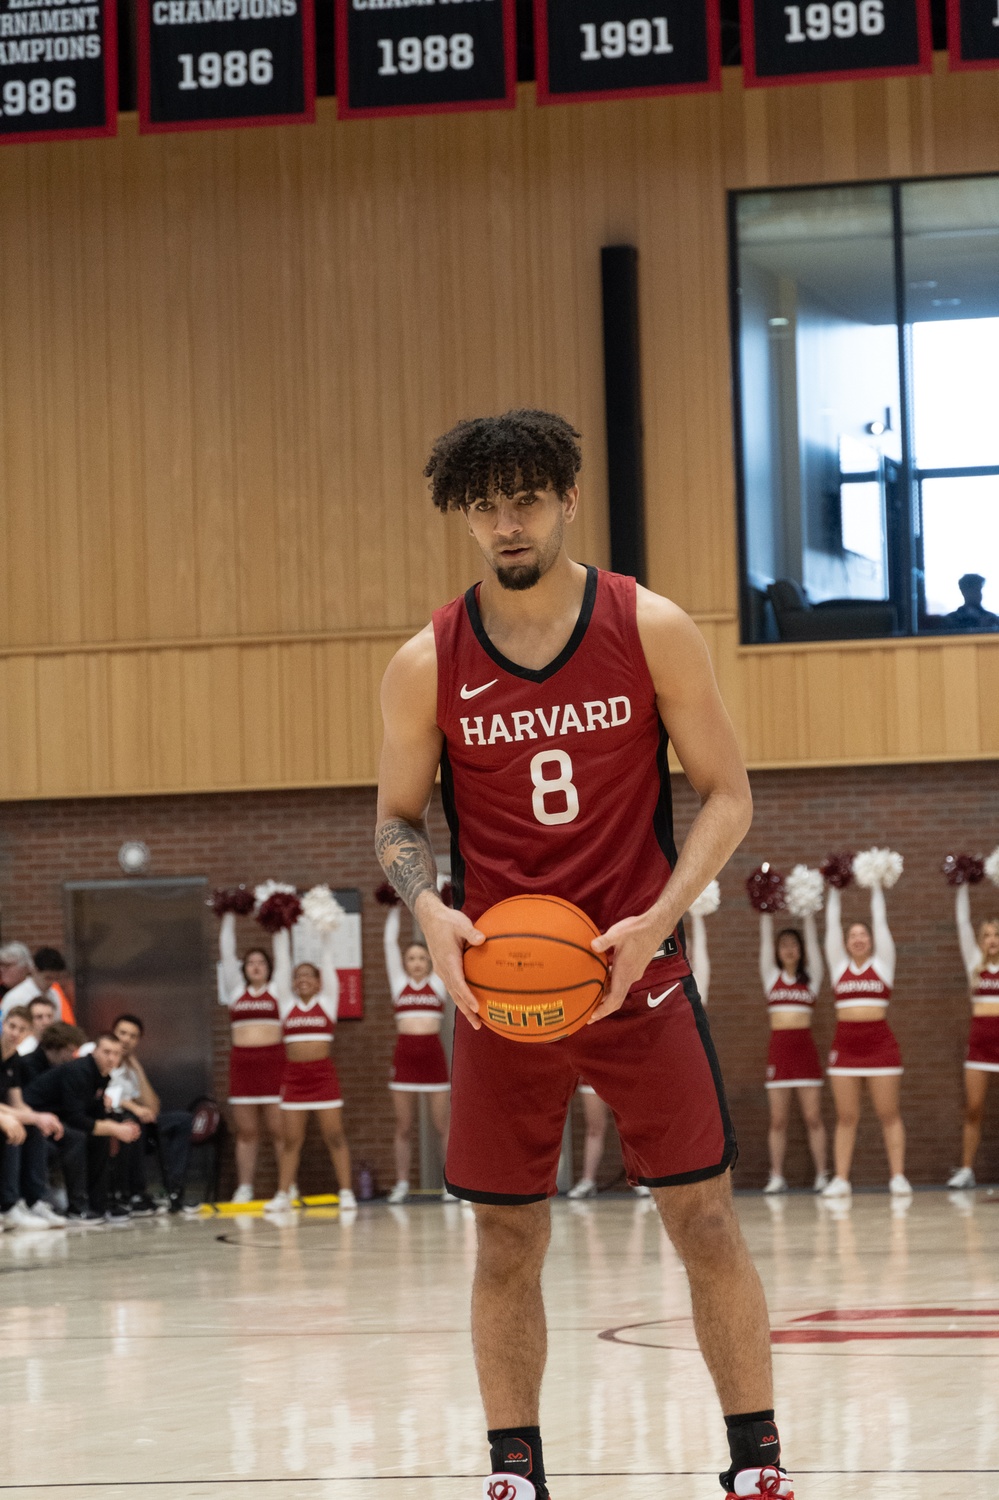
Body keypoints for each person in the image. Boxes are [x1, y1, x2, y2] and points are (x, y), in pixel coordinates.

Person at [375, 410, 791, 1500]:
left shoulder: (649, 626)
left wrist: (659, 917)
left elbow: (730, 797)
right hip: (502, 994)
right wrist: (428, 910)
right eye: (484, 505)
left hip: (638, 974)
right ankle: (514, 1473)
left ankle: (756, 1463)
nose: (505, 523)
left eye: (524, 499)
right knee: (506, 1244)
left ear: (567, 500)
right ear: (465, 516)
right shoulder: (427, 661)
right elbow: (396, 822)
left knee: (704, 1219)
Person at [822, 882, 910, 1198]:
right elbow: (830, 926)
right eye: (853, 936)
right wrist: (833, 887)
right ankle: (841, 1179)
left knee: (889, 1113)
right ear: (845, 943)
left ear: (872, 941)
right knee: (846, 1117)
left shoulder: (883, 965)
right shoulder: (838, 967)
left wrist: (875, 885)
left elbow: (881, 920)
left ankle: (898, 1176)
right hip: (845, 1047)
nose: (858, 939)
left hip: (880, 1045)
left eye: (864, 935)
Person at [264, 929, 356, 1214]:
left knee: (335, 1136)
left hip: (323, 1076)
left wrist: (326, 933)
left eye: (308, 975)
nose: (302, 979)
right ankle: (283, 1195)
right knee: (291, 1140)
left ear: (318, 983)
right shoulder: (285, 1005)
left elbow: (329, 965)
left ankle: (346, 1192)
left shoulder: (327, 1003)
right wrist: (279, 927)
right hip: (293, 1078)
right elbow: (280, 962)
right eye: (297, 976)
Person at [23, 1033, 141, 1222]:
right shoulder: (80, 1071)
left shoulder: (101, 1076)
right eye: (106, 1052)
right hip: (33, 1117)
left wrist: (117, 1126)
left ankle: (99, 1204)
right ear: (94, 1051)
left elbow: (94, 1115)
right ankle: (77, 1207)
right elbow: (75, 1117)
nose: (111, 1058)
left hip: (57, 1120)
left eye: (116, 1054)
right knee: (77, 1137)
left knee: (100, 1137)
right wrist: (114, 1129)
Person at [382, 902, 452, 1204]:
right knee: (403, 1126)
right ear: (405, 963)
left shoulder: (438, 985)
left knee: (442, 1125)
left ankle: (451, 1184)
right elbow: (388, 943)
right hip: (405, 1058)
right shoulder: (399, 985)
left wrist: (434, 912)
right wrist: (395, 907)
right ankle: (401, 1183)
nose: (417, 962)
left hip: (433, 1057)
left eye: (422, 957)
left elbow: (442, 945)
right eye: (411, 958)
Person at [217, 915, 285, 1202]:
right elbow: (225, 948)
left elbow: (284, 950)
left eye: (261, 962)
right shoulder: (235, 991)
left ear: (269, 968)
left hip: (274, 1064)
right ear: (243, 968)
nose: (256, 966)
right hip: (242, 1066)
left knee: (279, 1131)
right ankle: (245, 1187)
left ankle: (286, 1186)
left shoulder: (278, 990)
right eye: (250, 962)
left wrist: (281, 915)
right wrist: (230, 913)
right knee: (246, 1132)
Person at [759, 915, 827, 1195]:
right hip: (779, 1053)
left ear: (801, 950)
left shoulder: (811, 978)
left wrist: (808, 913)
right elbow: (763, 941)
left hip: (805, 1053)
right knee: (778, 1120)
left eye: (794, 945)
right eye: (783, 944)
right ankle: (776, 1176)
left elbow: (813, 945)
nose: (789, 949)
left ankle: (823, 1175)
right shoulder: (771, 976)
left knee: (813, 1117)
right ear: (777, 951)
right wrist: (765, 911)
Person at [106, 1015, 194, 1215]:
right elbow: (103, 1093)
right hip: (112, 1118)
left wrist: (137, 1068)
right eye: (123, 1033)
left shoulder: (131, 1067)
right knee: (133, 1119)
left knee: (182, 1121)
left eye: (133, 1036)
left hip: (138, 1121)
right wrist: (135, 1108)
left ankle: (174, 1190)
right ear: (113, 1033)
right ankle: (135, 1193)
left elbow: (153, 1108)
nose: (127, 1039)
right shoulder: (97, 1053)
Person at [947, 888, 999, 1189]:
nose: (992, 939)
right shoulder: (974, 966)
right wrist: (963, 884)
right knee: (974, 1107)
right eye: (987, 934)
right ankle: (967, 1169)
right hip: (979, 1046)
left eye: (996, 934)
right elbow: (962, 922)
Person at [0, 1007, 67, 1228]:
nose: (14, 1033)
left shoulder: (14, 1060)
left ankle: (33, 1201)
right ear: (4, 1024)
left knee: (33, 1128)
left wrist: (40, 1118)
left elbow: (16, 1102)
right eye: (12, 1026)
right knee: (14, 1129)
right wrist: (11, 1118)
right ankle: (8, 1205)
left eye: (21, 1029)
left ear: (28, 1032)